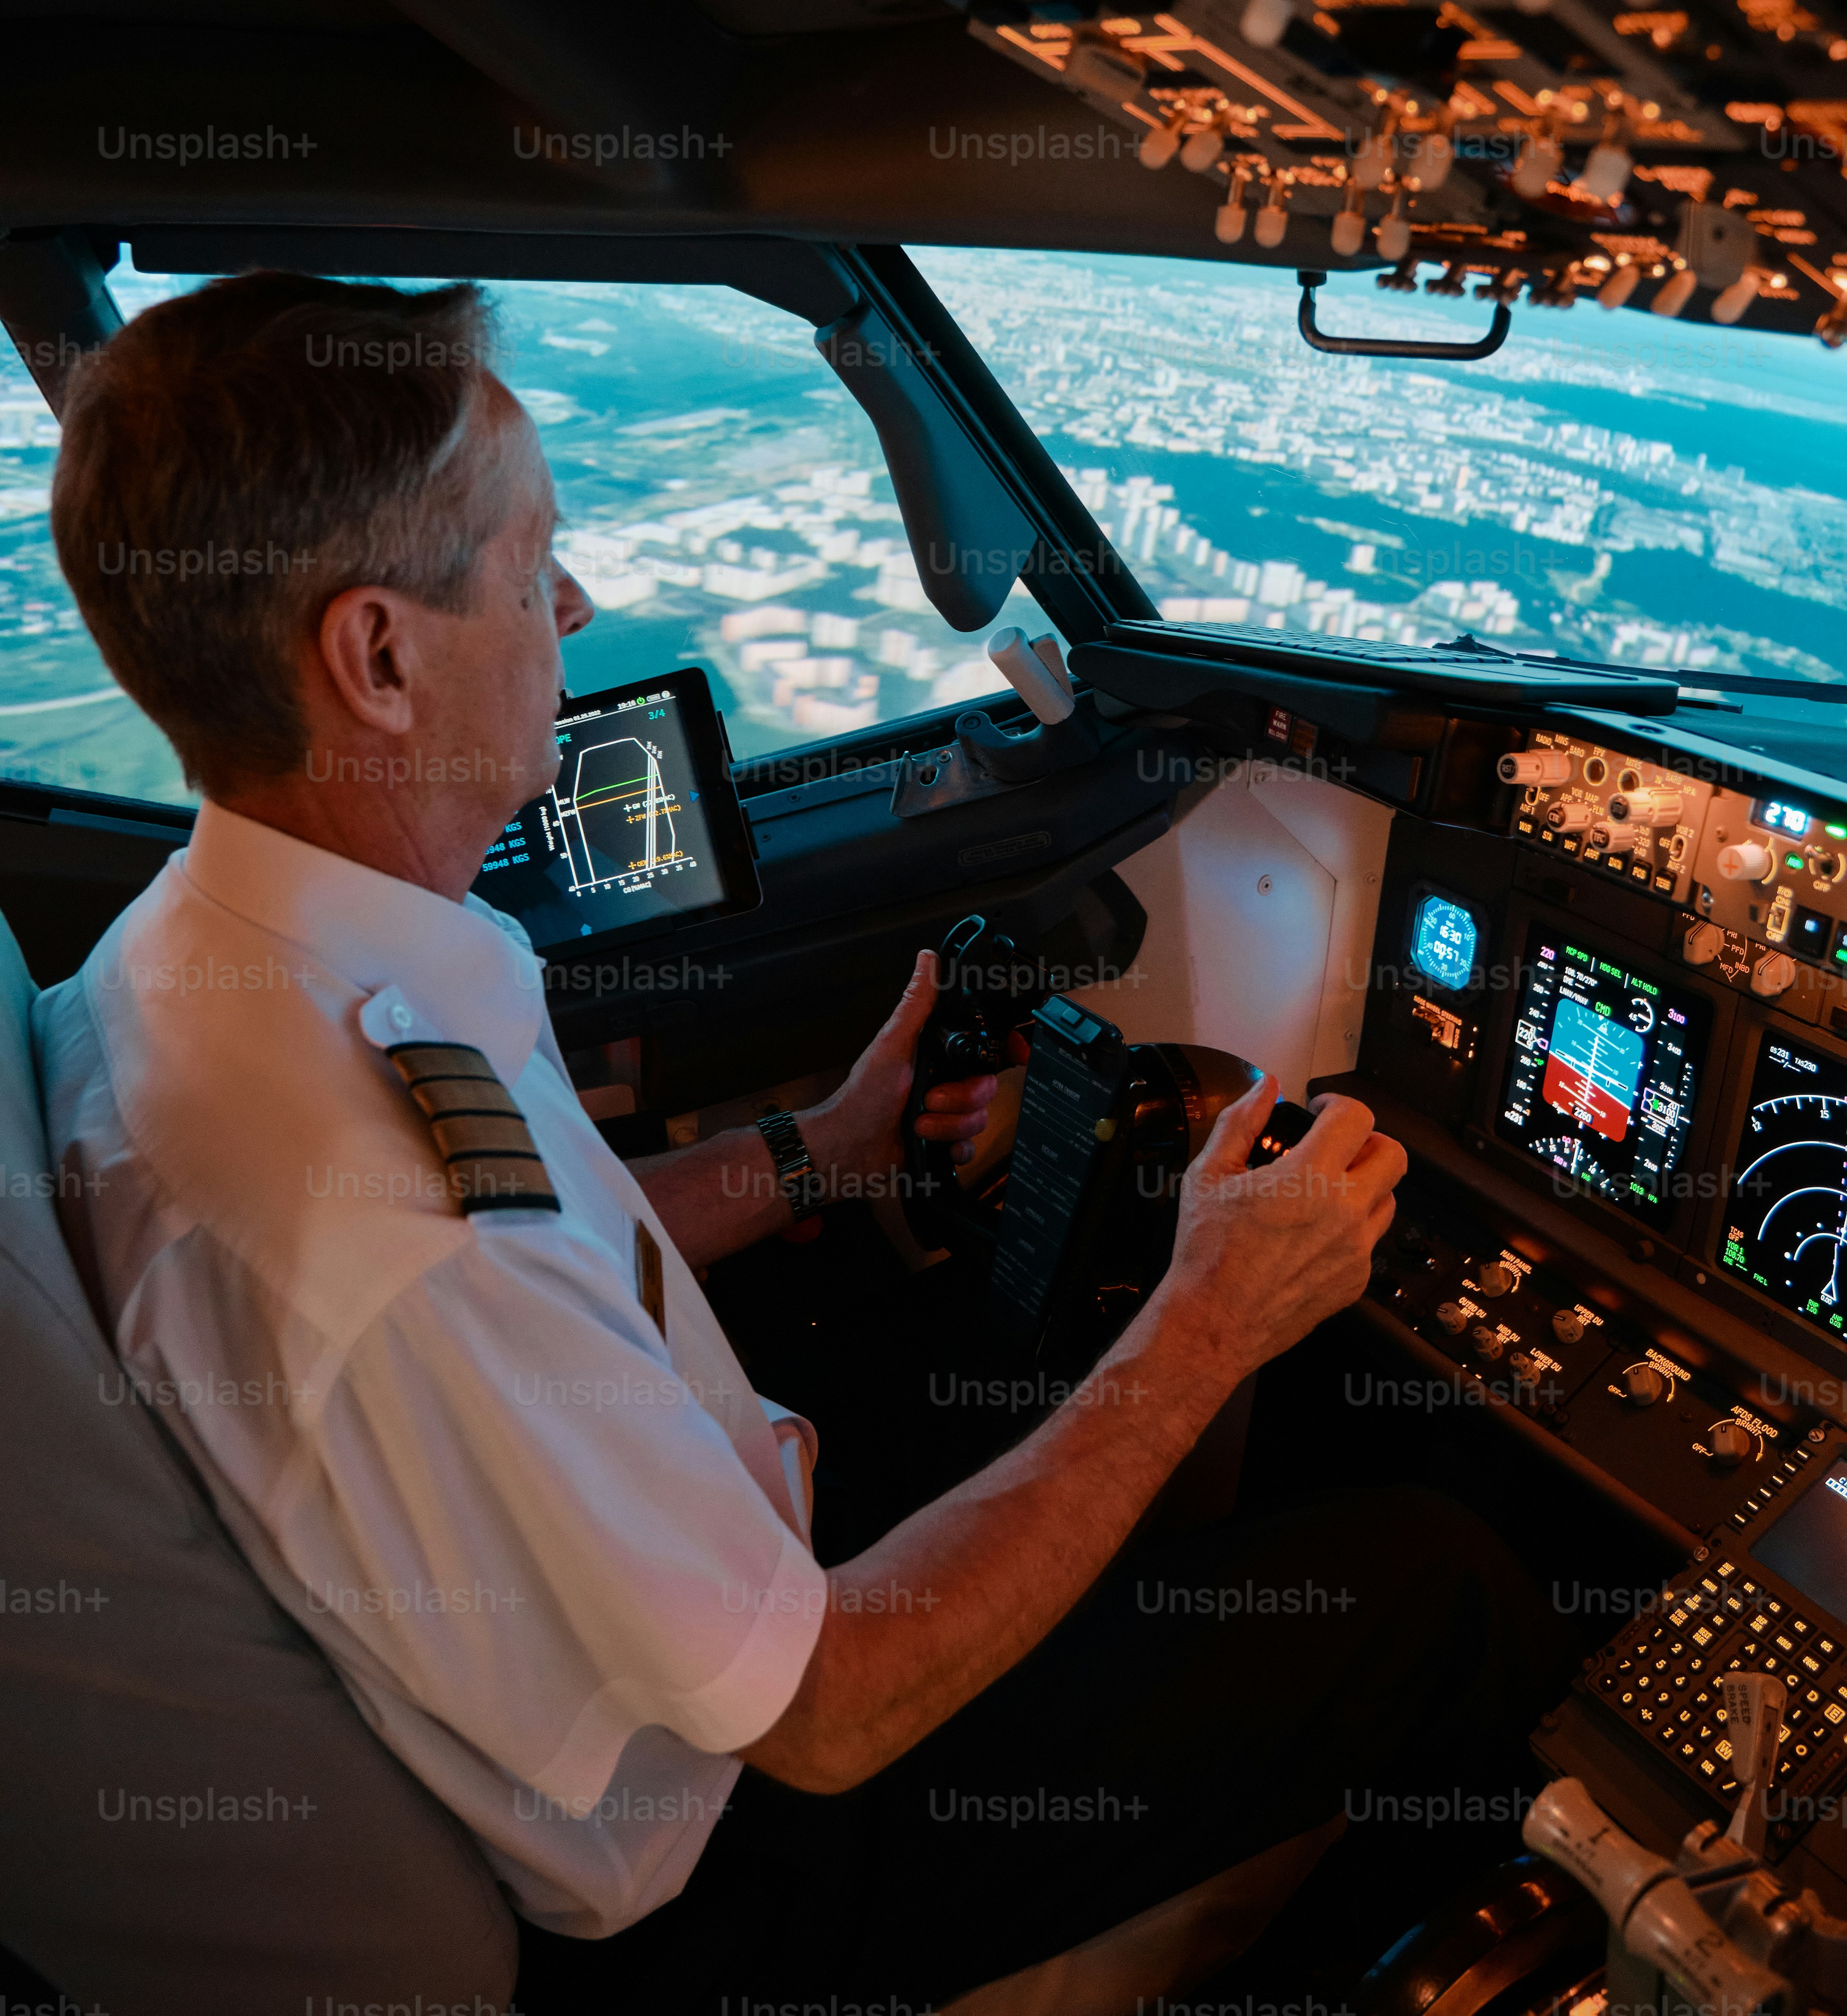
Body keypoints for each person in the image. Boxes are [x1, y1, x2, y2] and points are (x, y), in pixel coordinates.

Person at [37, 271, 1543, 2011]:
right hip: (723, 1861)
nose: (575, 602)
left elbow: (558, 1239)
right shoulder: (382, 1212)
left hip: (692, 1580)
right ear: (377, 658)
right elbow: (827, 1718)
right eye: (532, 568)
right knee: (1443, 1585)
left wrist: (827, 1148)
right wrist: (1212, 1313)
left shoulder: (215, 960)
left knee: (1033, 1373)